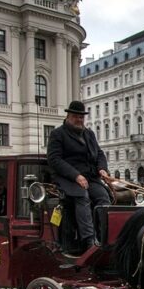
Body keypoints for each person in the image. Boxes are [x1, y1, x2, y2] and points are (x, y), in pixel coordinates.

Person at [47, 100, 110, 254]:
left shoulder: (89, 134)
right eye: (76, 116)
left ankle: (104, 236)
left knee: (104, 197)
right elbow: (54, 159)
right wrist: (76, 175)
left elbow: (100, 154)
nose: (79, 120)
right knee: (82, 196)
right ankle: (88, 240)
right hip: (67, 178)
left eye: (82, 117)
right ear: (68, 116)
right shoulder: (58, 134)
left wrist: (102, 169)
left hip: (90, 178)